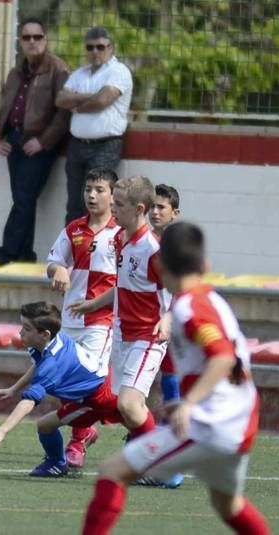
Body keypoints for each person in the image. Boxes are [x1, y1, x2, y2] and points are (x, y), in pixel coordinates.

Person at [82, 221, 269, 535]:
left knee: (112, 471)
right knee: (228, 505)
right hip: (240, 420)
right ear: (206, 266)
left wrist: (188, 404)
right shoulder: (213, 300)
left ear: (160, 265)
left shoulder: (188, 309)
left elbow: (222, 356)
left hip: (213, 424)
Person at [67, 176, 168, 452]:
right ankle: (145, 452)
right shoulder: (120, 239)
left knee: (128, 404)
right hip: (122, 333)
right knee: (119, 404)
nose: (113, 208)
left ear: (138, 209)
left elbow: (181, 289)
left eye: (119, 204)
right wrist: (94, 304)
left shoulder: (153, 248)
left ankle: (159, 459)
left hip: (148, 336)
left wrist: (168, 319)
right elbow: (124, 286)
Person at [0, 302, 121, 478]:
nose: (20, 332)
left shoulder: (53, 361)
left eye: (27, 328)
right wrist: (14, 389)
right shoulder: (52, 340)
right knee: (137, 420)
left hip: (98, 398)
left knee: (44, 425)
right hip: (102, 385)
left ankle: (56, 463)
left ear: (44, 334)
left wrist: (2, 431)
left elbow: (30, 400)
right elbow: (39, 365)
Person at [45, 167, 119, 468]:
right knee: (57, 385)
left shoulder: (121, 235)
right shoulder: (73, 229)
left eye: (99, 189)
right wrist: (58, 269)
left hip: (101, 322)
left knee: (87, 383)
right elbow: (53, 261)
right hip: (70, 320)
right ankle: (88, 429)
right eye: (88, 188)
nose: (91, 194)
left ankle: (77, 442)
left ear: (113, 195)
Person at [0, 17, 70, 266]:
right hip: (13, 141)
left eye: (37, 37)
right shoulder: (15, 73)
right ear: (20, 42)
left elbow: (64, 112)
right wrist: (0, 137)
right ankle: (25, 255)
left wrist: (44, 141)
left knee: (24, 197)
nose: (32, 42)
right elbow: (4, 107)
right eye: (27, 37)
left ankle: (6, 252)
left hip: (38, 145)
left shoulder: (58, 69)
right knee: (23, 200)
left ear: (45, 40)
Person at [55, 27, 133, 225]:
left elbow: (104, 100)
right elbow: (61, 99)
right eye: (90, 47)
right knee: (74, 203)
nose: (95, 51)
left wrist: (78, 106)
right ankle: (72, 252)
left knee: (97, 203)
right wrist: (92, 95)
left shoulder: (119, 71)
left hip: (105, 146)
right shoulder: (80, 74)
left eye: (100, 47)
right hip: (77, 146)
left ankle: (96, 251)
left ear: (110, 48)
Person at [149, 184, 182, 414]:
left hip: (170, 321)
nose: (155, 212)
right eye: (152, 206)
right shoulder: (139, 240)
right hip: (142, 320)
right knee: (138, 381)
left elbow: (182, 287)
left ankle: (176, 428)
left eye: (161, 207)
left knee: (170, 378)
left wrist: (170, 317)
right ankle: (138, 428)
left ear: (175, 213)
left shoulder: (178, 245)